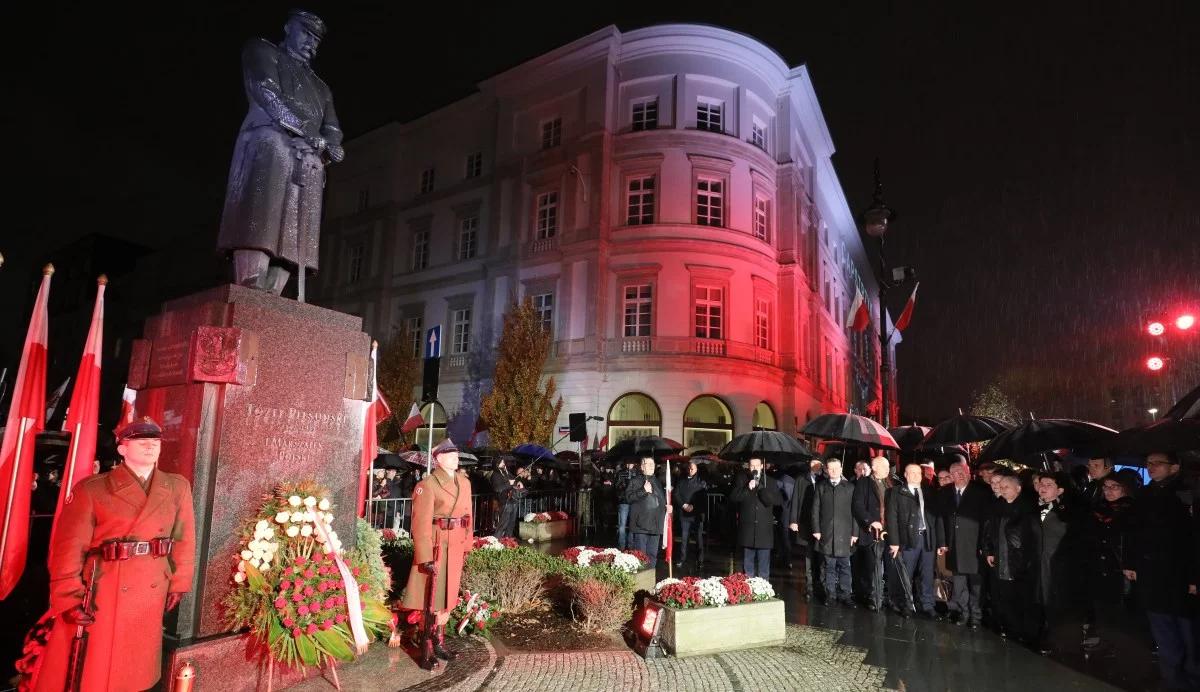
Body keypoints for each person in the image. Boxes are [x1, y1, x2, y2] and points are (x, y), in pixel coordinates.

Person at [34, 418, 195, 692]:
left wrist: (179, 582)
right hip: (104, 589)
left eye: (155, 443)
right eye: (141, 442)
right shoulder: (93, 489)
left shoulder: (177, 487)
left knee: (136, 669)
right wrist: (68, 596)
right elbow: (69, 549)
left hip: (151, 587)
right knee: (97, 672)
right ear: (122, 449)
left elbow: (183, 538)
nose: (150, 448)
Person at [218, 9, 345, 294]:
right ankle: (250, 277)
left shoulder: (321, 88)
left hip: (307, 154)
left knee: (305, 199)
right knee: (271, 169)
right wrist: (307, 133)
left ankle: (276, 287)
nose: (311, 42)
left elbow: (332, 127)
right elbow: (266, 91)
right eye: (306, 33)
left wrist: (331, 146)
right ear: (289, 27)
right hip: (267, 137)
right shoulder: (262, 50)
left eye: (316, 39)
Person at [1125, 451, 1200, 691]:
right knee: (1163, 631)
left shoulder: (1187, 493)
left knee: (1189, 634)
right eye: (1149, 463)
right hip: (1152, 574)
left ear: (1175, 467)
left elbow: (1193, 539)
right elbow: (1133, 532)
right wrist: (1130, 562)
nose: (1152, 467)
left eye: (1158, 463)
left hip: (1181, 575)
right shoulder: (1145, 494)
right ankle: (1173, 681)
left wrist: (1194, 576)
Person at [402, 439, 473, 670]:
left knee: (447, 597)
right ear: (439, 458)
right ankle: (426, 648)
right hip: (436, 547)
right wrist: (425, 557)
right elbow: (420, 524)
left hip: (455, 546)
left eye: (456, 454)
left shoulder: (464, 482)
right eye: (451, 455)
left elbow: (468, 517)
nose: (456, 458)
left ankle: (439, 640)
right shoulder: (427, 485)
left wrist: (467, 545)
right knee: (430, 599)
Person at [1080, 473, 1137, 650]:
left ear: (1125, 488)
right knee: (1101, 603)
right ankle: (1105, 638)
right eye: (1105, 487)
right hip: (1098, 563)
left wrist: (1129, 563)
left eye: (1114, 487)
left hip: (1120, 565)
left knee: (1121, 604)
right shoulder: (1098, 509)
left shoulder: (1131, 510)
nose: (1109, 491)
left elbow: (1133, 540)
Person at [1029, 471, 1078, 655]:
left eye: (1048, 484)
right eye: (1041, 484)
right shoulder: (1032, 508)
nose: (1042, 487)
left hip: (1057, 566)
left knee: (1055, 602)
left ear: (1060, 490)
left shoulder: (1068, 513)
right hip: (1037, 564)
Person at [886, 461, 943, 618]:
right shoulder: (896, 492)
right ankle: (907, 605)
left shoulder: (930, 491)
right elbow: (891, 518)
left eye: (918, 473)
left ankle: (928, 605)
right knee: (906, 574)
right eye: (912, 473)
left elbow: (936, 518)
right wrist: (894, 542)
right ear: (905, 475)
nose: (916, 476)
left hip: (928, 538)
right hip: (907, 539)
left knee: (927, 574)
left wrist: (941, 542)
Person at [937, 459, 989, 628]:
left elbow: (986, 522)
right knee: (959, 585)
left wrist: (984, 546)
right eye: (954, 474)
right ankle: (963, 613)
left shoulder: (981, 492)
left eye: (961, 472)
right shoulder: (944, 492)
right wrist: (943, 542)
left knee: (976, 586)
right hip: (954, 547)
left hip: (974, 547)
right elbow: (940, 519)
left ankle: (976, 616)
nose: (958, 476)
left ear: (968, 472)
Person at [983, 475, 1035, 641]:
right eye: (1001, 486)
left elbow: (1030, 539)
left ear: (1018, 488)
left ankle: (1021, 632)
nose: (1003, 489)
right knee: (1002, 597)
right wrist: (989, 550)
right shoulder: (997, 506)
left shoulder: (1027, 508)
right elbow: (990, 532)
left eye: (1006, 487)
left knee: (1019, 598)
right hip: (1001, 560)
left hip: (1019, 563)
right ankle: (1008, 628)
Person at [812, 459, 859, 606]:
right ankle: (830, 595)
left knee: (845, 566)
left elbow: (855, 512)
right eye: (830, 469)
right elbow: (815, 510)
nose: (833, 471)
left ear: (841, 469)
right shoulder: (821, 487)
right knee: (829, 566)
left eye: (836, 468)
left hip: (845, 534)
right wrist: (816, 530)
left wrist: (855, 533)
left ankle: (845, 595)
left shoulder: (850, 487)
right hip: (826, 533)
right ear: (826, 470)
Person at [852, 456, 894, 611]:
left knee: (890, 567)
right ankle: (874, 598)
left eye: (888, 467)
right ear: (875, 467)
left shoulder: (891, 482)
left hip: (890, 533)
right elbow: (857, 505)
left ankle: (890, 597)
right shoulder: (864, 483)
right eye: (885, 466)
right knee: (873, 567)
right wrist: (870, 521)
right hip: (872, 533)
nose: (888, 470)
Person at [731, 458, 783, 579]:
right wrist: (747, 488)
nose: (754, 468)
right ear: (749, 467)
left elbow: (776, 501)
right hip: (748, 529)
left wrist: (760, 488)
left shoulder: (770, 481)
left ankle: (763, 591)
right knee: (747, 566)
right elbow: (734, 497)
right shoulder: (742, 480)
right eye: (752, 466)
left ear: (761, 466)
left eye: (757, 466)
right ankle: (748, 591)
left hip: (764, 530)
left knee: (763, 567)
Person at [624, 457, 668, 565]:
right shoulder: (634, 481)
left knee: (652, 556)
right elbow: (628, 498)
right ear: (642, 466)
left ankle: (650, 579)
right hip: (641, 526)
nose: (652, 466)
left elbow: (661, 500)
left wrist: (668, 507)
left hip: (655, 526)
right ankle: (642, 580)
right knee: (641, 557)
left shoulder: (658, 482)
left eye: (653, 464)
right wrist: (643, 490)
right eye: (648, 464)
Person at [789, 461, 823, 600]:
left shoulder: (825, 479)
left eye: (818, 464)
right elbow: (795, 500)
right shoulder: (801, 479)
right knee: (808, 556)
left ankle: (820, 585)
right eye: (813, 464)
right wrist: (793, 520)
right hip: (805, 522)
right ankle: (809, 587)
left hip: (822, 524)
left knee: (820, 556)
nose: (815, 467)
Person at [673, 460, 708, 568]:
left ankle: (700, 560)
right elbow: (676, 494)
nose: (690, 470)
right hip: (684, 513)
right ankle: (682, 559)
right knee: (684, 538)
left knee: (698, 538)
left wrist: (694, 506)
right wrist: (683, 505)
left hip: (696, 514)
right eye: (689, 468)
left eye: (692, 468)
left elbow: (703, 497)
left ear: (696, 469)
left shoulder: (701, 481)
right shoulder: (681, 480)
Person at [490, 457, 524, 539]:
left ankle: (508, 541)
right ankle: (496, 541)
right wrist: (509, 483)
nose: (504, 464)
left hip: (512, 500)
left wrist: (518, 481)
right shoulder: (495, 475)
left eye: (503, 462)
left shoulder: (506, 473)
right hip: (503, 502)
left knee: (511, 524)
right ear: (497, 464)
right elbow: (497, 488)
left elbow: (514, 480)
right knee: (502, 525)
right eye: (501, 462)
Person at [771, 464, 797, 569]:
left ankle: (785, 559)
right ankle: (787, 560)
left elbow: (780, 499)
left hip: (784, 513)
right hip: (790, 512)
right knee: (786, 538)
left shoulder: (781, 481)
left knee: (783, 538)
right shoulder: (793, 481)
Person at [614, 460, 637, 549]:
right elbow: (617, 486)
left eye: (630, 462)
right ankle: (622, 545)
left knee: (632, 524)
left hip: (633, 501)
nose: (629, 464)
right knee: (622, 525)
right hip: (624, 501)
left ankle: (630, 545)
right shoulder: (621, 473)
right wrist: (623, 484)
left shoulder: (637, 473)